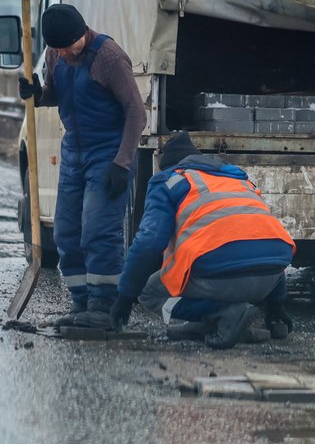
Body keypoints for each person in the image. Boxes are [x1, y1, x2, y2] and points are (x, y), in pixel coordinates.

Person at [17, 4, 147, 329]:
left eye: (68, 46)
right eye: (57, 48)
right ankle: (81, 303)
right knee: (66, 232)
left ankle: (105, 307)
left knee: (98, 231)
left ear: (83, 33)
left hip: (108, 154)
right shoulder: (55, 55)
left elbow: (136, 112)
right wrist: (37, 95)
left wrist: (123, 162)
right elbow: (57, 94)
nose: (63, 53)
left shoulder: (109, 58)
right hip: (73, 154)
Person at [108, 132, 296, 349]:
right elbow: (261, 237)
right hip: (269, 277)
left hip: (218, 275)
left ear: (168, 165)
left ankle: (220, 314)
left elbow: (149, 242)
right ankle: (223, 323)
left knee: (147, 292)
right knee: (249, 244)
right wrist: (276, 306)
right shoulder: (240, 181)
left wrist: (125, 297)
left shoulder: (168, 180)